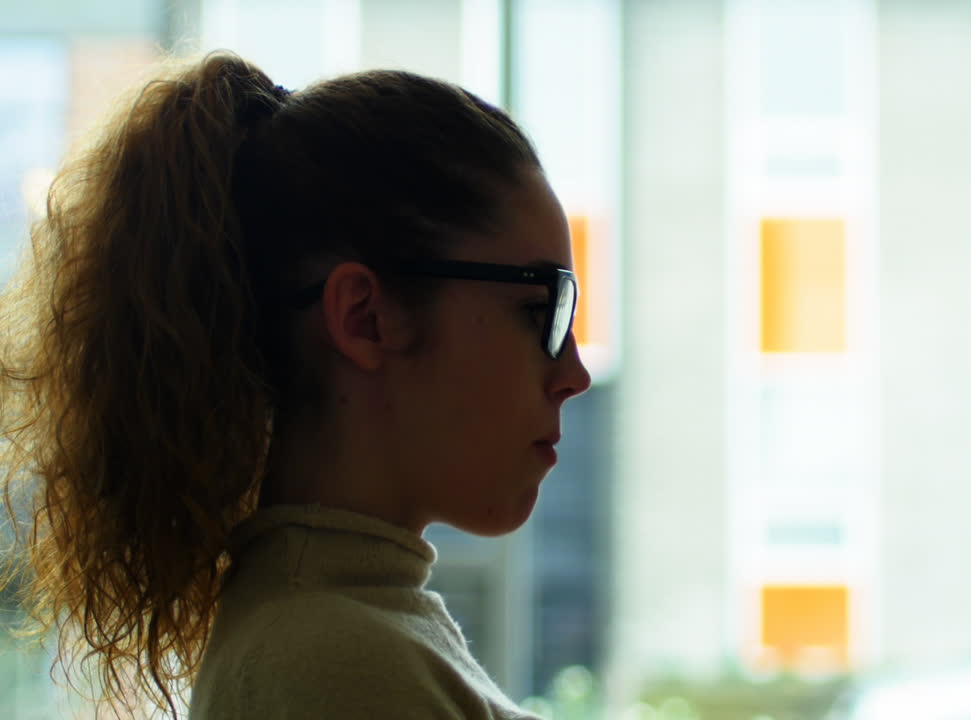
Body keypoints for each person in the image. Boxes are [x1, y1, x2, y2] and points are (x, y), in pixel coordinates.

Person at [0, 51, 591, 719]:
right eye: (542, 310)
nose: (575, 374)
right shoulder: (336, 664)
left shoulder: (343, 630)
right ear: (364, 317)